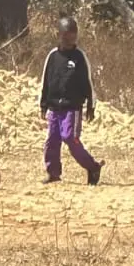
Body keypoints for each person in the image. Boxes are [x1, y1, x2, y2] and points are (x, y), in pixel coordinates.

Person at [39, 17, 103, 185]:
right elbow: (46, 81)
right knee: (52, 141)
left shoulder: (79, 57)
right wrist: (43, 104)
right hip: (54, 107)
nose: (71, 37)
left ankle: (93, 167)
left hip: (72, 108)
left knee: (69, 137)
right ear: (59, 34)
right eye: (67, 34)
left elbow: (88, 82)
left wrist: (91, 105)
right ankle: (53, 173)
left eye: (74, 33)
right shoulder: (52, 56)